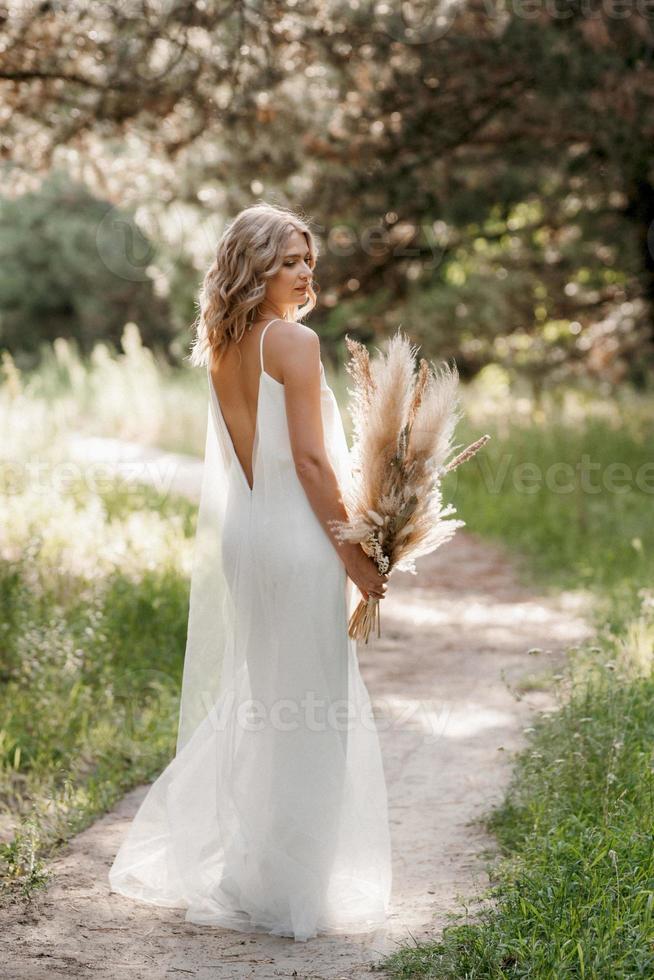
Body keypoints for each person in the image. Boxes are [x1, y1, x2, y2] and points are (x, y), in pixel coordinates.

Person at [107, 202, 392, 942]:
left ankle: (259, 871)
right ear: (256, 266)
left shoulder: (225, 340)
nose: (304, 274)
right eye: (290, 260)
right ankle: (292, 891)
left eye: (308, 261)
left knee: (272, 700)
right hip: (297, 540)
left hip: (248, 537)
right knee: (310, 706)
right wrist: (357, 558)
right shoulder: (293, 342)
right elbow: (307, 461)